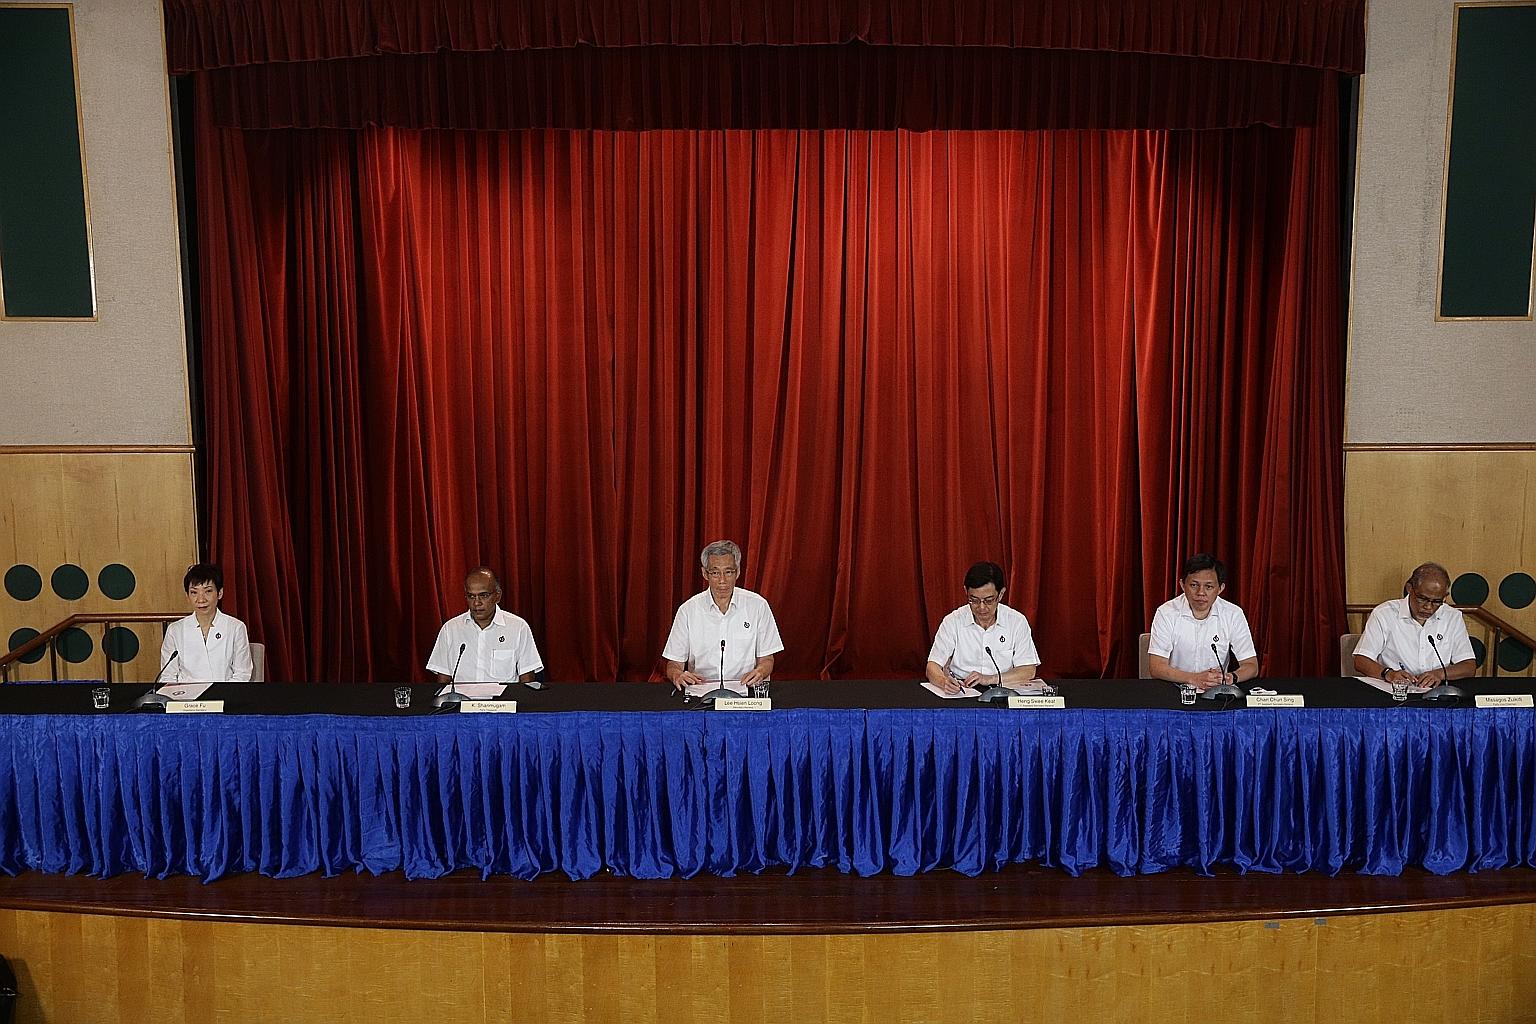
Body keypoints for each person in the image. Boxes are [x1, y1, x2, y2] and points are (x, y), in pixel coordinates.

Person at [663, 540, 783, 690]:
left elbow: (767, 659)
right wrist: (677, 675)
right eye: (715, 573)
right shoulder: (688, 610)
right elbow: (674, 663)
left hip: (746, 690)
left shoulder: (758, 606)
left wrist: (760, 672)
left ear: (737, 572)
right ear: (705, 573)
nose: (722, 580)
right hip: (701, 691)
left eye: (728, 572)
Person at [1352, 561, 1476, 687]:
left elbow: (1469, 666)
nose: (1428, 607)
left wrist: (1439, 674)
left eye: (1437, 601)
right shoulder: (1384, 613)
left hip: (1435, 692)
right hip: (1394, 690)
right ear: (1410, 589)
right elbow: (1361, 660)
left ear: (1445, 597)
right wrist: (1388, 673)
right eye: (1422, 599)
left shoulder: (1452, 617)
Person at [1147, 553, 1259, 689]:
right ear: (1182, 585)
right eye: (1194, 585)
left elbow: (1251, 665)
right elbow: (1156, 667)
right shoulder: (1166, 613)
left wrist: (1231, 677)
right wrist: (1193, 679)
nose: (1201, 592)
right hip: (1175, 689)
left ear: (1220, 588)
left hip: (1216, 690)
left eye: (1208, 587)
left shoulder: (1233, 614)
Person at [925, 561, 1040, 694]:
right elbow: (932, 666)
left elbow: (1028, 670)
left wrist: (990, 679)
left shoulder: (1016, 621)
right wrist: (944, 682)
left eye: (989, 600)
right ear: (966, 592)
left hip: (1002, 691)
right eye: (974, 600)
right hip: (962, 691)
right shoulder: (952, 621)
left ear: (1001, 594)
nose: (981, 607)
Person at [426, 567, 543, 684]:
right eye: (471, 596)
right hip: (461, 695)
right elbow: (443, 679)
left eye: (484, 595)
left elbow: (527, 679)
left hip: (504, 696)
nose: (477, 603)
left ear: (497, 596)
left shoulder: (518, 627)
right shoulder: (450, 629)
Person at [159, 563, 254, 683]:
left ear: (220, 593)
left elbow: (242, 674)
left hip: (225, 692)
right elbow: (168, 676)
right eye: (194, 592)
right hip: (186, 694)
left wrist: (223, 693)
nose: (201, 599)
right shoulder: (175, 630)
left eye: (208, 591)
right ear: (187, 596)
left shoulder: (236, 627)